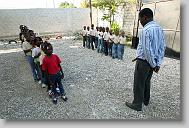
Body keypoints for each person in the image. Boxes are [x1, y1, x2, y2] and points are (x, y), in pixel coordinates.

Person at [125, 8, 166, 111]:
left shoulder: (145, 30)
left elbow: (147, 51)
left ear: (145, 17)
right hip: (153, 62)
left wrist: (153, 64)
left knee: (139, 83)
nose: (140, 22)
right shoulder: (159, 29)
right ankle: (146, 100)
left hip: (144, 62)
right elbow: (162, 47)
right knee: (147, 81)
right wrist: (157, 64)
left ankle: (137, 104)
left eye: (140, 20)